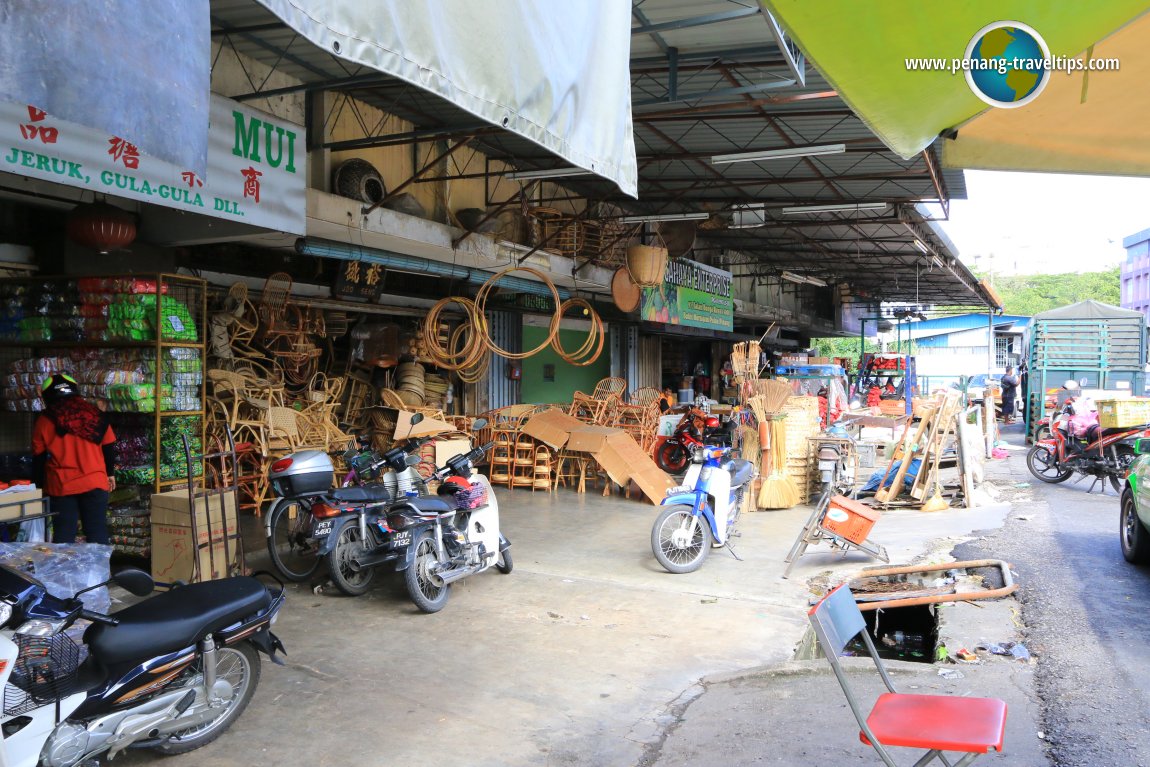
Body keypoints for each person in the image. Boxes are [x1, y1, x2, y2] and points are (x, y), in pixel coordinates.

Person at [32, 373, 116, 544]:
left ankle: (64, 571)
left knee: (64, 537)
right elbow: (109, 445)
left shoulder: (44, 421)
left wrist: (39, 486)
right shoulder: (95, 414)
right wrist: (110, 473)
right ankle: (99, 571)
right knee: (97, 533)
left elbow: (38, 458)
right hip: (94, 482)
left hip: (62, 486)